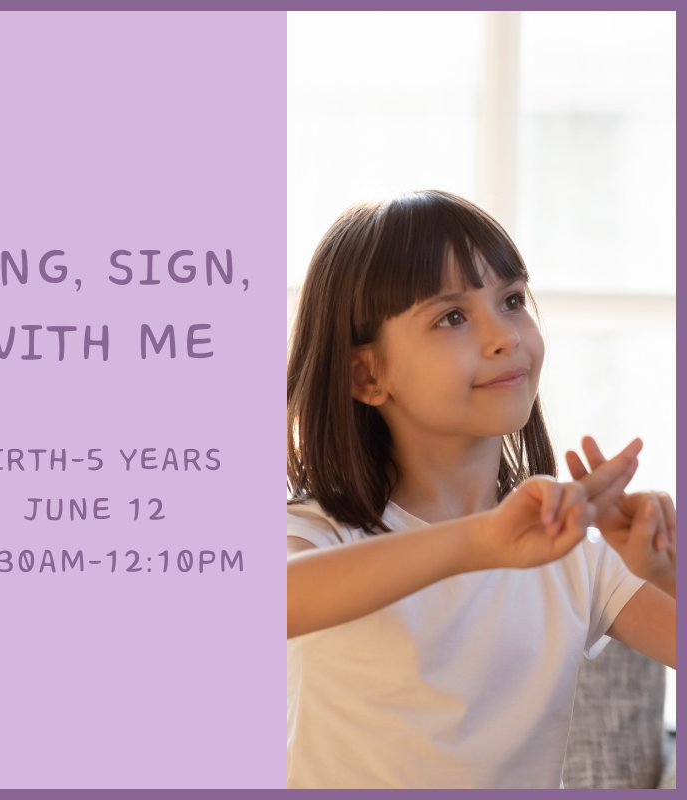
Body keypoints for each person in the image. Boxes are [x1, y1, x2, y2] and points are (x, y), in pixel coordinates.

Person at [286, 190, 676, 790]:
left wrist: (666, 573)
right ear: (368, 374)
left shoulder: (572, 557)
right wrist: (481, 543)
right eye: (451, 317)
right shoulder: (319, 532)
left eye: (513, 300)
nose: (505, 336)